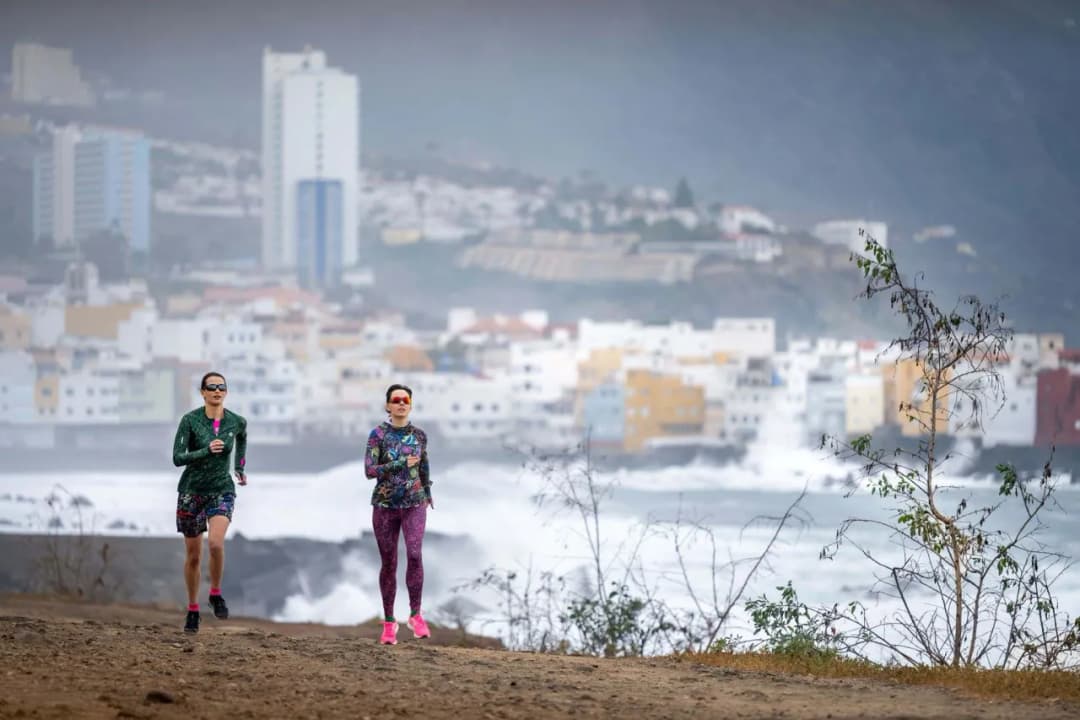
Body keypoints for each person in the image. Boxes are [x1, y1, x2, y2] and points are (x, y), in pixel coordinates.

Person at [172, 372, 248, 634]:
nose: (217, 391)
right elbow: (177, 457)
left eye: (221, 387)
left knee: (215, 543)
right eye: (212, 387)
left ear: (226, 392)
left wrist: (239, 467)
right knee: (194, 557)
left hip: (221, 490)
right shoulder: (190, 421)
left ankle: (215, 594)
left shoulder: (236, 421)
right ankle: (193, 609)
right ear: (203, 392)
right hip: (191, 492)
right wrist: (205, 450)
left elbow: (243, 437)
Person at [365, 383, 433, 645]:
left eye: (406, 400)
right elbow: (370, 470)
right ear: (388, 406)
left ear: (411, 405)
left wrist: (427, 491)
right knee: (389, 563)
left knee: (415, 555)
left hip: (415, 503)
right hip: (385, 505)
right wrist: (400, 463)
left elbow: (424, 465)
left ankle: (416, 615)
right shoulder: (377, 435)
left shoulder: (420, 435)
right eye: (396, 400)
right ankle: (389, 622)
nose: (401, 403)